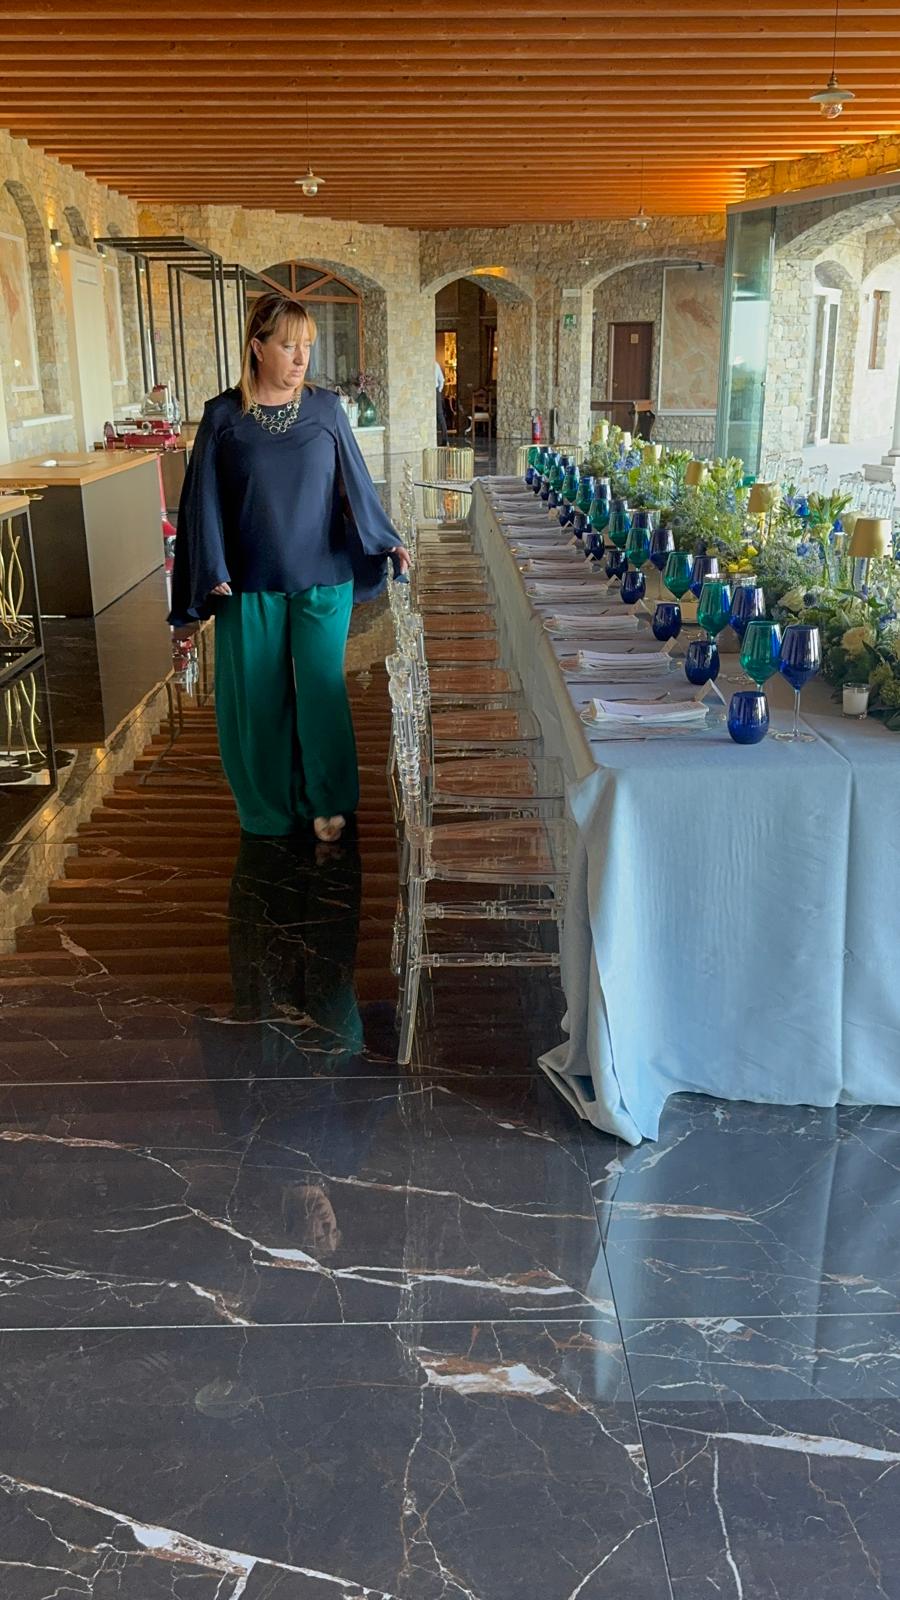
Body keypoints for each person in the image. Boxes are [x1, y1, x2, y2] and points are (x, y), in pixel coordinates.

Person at [168, 292, 410, 844]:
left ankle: (329, 800)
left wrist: (386, 539)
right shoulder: (223, 416)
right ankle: (269, 809)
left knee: (322, 691)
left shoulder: (325, 409)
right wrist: (210, 566)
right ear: (257, 348)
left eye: (307, 347)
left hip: (323, 576)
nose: (302, 359)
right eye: (288, 346)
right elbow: (201, 499)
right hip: (248, 580)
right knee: (258, 697)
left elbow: (353, 482)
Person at [435, 358, 449, 446]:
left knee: (440, 415)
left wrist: (438, 391)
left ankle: (445, 440)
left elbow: (442, 380)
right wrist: (439, 391)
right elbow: (442, 380)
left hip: (435, 390)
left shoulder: (435, 364)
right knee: (440, 415)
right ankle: (444, 440)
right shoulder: (436, 364)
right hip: (436, 390)